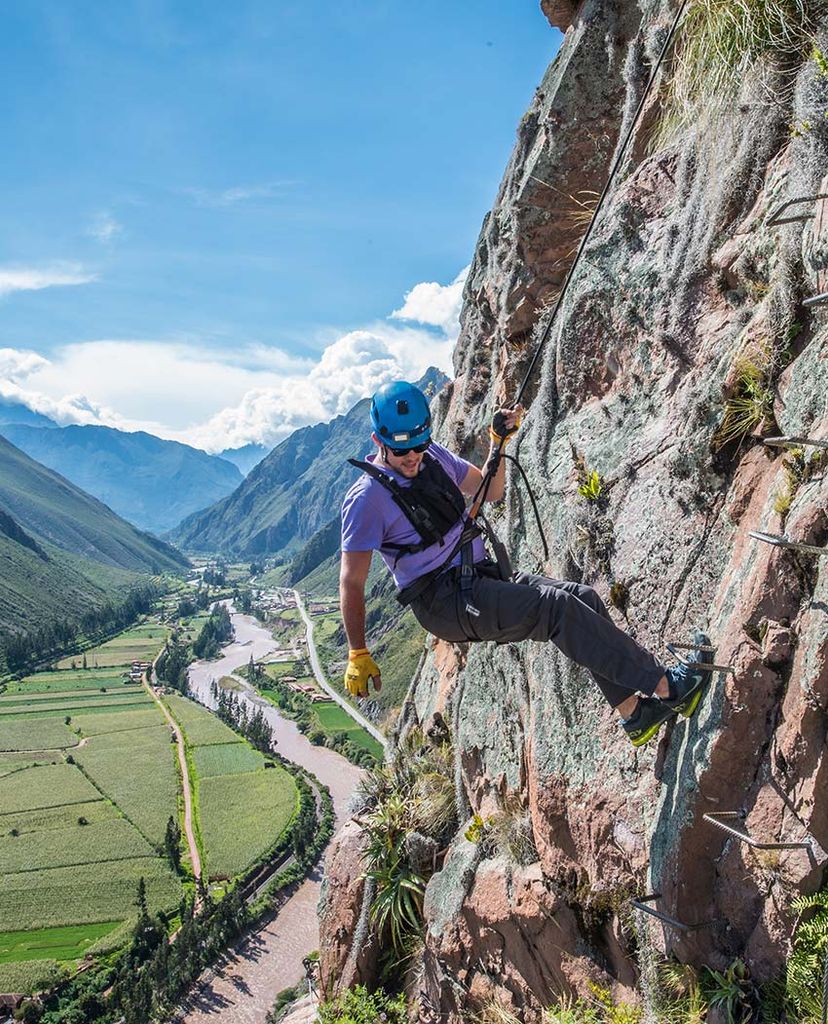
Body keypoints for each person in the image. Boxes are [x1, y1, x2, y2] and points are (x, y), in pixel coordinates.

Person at [339, 380, 711, 746]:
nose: (412, 458)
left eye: (419, 445)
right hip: (443, 601)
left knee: (583, 598)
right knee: (558, 610)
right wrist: (358, 651)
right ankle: (668, 687)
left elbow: (491, 490)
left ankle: (635, 715)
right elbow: (352, 583)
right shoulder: (366, 499)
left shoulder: (433, 457)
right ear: (378, 441)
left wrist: (498, 443)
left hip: (476, 575)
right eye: (401, 450)